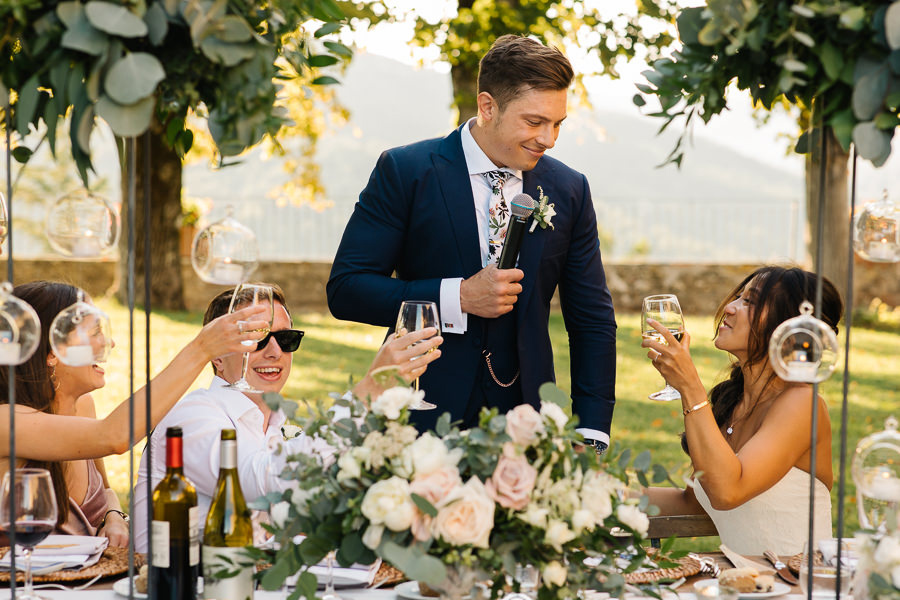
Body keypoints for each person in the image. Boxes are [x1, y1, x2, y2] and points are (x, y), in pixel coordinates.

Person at [327, 35, 616, 450]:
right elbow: (347, 289)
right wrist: (457, 296)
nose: (549, 139)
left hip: (528, 424)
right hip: (420, 414)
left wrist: (590, 430)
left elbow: (591, 318)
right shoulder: (406, 171)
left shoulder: (569, 189)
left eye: (558, 124)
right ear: (487, 107)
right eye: (534, 122)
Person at [132, 284, 442, 551]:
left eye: (286, 339)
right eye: (255, 338)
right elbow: (261, 483)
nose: (274, 352)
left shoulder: (281, 429)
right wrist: (368, 389)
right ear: (216, 355)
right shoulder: (191, 417)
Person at [0, 280, 267, 546]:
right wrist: (201, 349)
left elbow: (104, 491)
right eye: (94, 331)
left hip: (93, 584)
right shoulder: (6, 422)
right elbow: (114, 436)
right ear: (52, 352)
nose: (110, 342)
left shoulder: (83, 407)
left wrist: (113, 516)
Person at [642, 266, 842, 555]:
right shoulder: (732, 404)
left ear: (789, 327)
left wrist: (690, 387)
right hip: (743, 586)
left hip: (795, 589)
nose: (730, 308)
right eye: (737, 296)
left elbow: (727, 492)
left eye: (750, 302)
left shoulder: (802, 404)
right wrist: (597, 491)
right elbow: (694, 502)